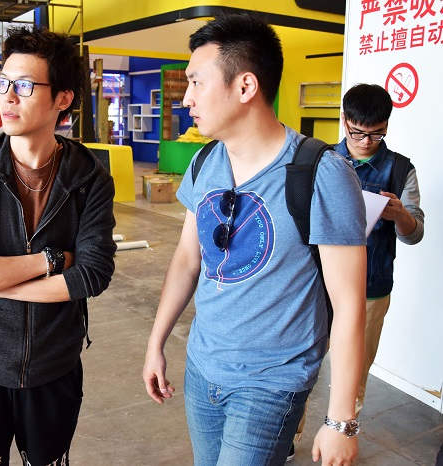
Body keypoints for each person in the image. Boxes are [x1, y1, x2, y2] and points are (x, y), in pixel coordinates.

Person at [142, 15, 367, 465]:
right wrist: (156, 343)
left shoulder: (321, 173)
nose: (186, 98)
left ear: (245, 86)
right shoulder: (205, 162)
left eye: (196, 82)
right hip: (203, 366)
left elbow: (349, 305)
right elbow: (187, 259)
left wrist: (341, 420)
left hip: (272, 382)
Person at [0, 27, 116, 466]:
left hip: (54, 369)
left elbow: (92, 274)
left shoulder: (89, 177)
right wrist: (51, 260)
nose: (8, 97)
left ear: (63, 99)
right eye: (3, 83)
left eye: (25, 86)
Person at [334, 83, 424, 413]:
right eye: (358, 133)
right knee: (302, 370)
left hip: (371, 288)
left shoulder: (401, 170)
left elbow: (414, 234)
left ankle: (344, 431)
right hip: (318, 284)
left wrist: (400, 214)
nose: (366, 142)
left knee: (354, 376)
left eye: (376, 134)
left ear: (386, 124)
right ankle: (292, 436)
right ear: (345, 120)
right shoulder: (323, 160)